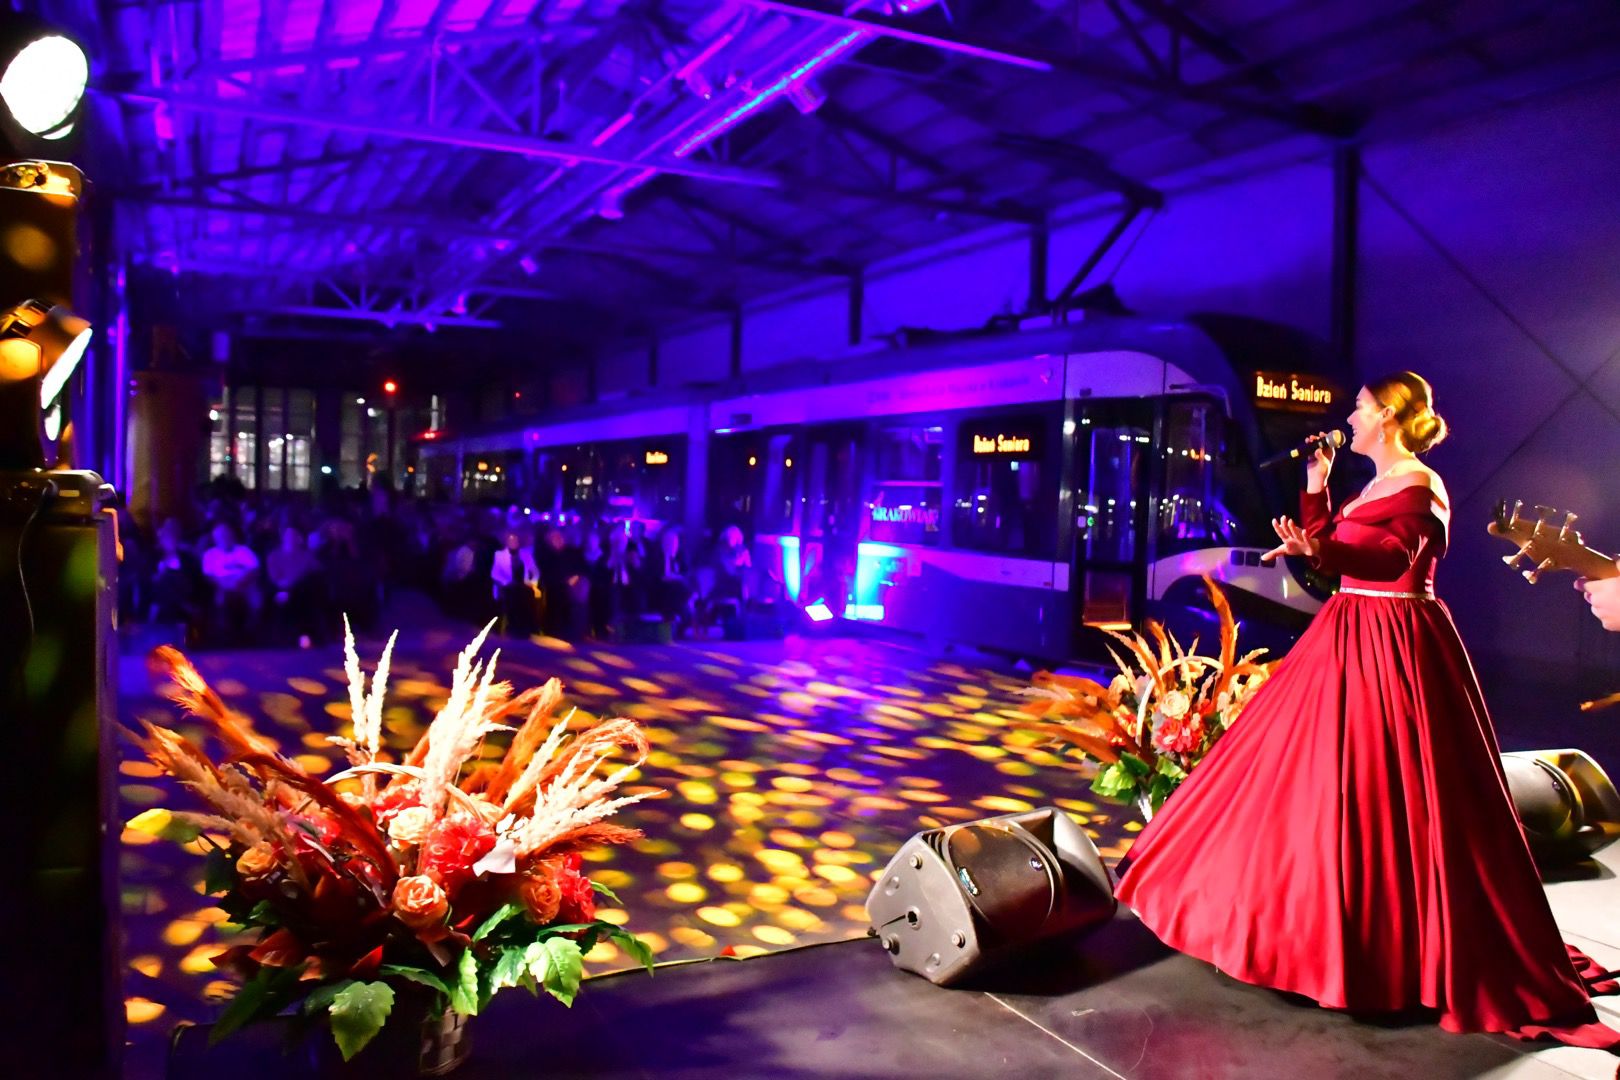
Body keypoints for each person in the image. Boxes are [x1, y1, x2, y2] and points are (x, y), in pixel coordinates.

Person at [1115, 372, 1619, 1049]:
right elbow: (1333, 553)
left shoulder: (1420, 485)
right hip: (1348, 631)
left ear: (1386, 416)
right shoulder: (1376, 486)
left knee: (1387, 789)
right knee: (1309, 778)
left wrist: (1321, 547)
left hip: (1395, 642)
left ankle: (1379, 948)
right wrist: (1316, 490)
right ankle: (1295, 929)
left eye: (1358, 408)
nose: (1348, 418)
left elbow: (1389, 558)